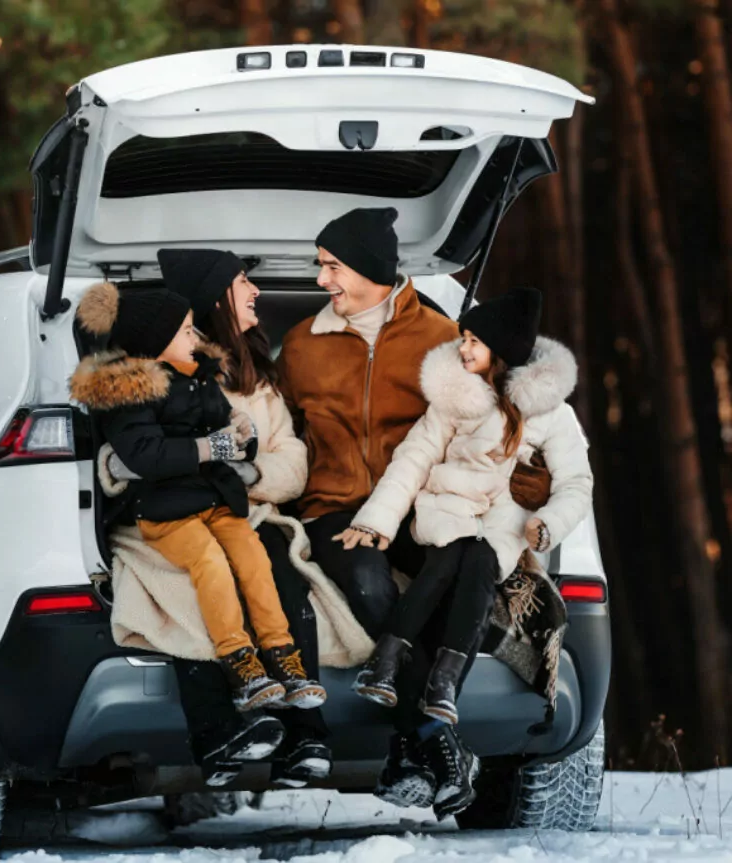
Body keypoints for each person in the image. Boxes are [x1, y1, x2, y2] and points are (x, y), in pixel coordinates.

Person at [277, 207, 551, 814]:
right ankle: (436, 738)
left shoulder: (443, 339)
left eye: (332, 268)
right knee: (371, 584)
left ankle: (413, 744)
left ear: (373, 270)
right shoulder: (299, 346)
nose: (321, 281)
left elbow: (497, 418)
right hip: (335, 507)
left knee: (450, 578)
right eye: (321, 267)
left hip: (425, 505)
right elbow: (284, 435)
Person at [350, 288, 594, 817]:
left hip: (503, 525)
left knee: (478, 559)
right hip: (442, 512)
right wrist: (376, 521)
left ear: (501, 350)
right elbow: (412, 461)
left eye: (473, 341)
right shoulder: (452, 399)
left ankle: (410, 670)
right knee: (453, 553)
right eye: (463, 339)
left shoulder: (552, 414)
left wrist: (546, 525)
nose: (462, 349)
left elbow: (577, 483)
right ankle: (420, 678)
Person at [101, 249, 338, 788]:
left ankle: (304, 730)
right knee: (192, 580)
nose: (255, 291)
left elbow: (290, 456)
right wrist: (141, 465)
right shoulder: (159, 370)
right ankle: (220, 730)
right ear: (213, 300)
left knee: (277, 574)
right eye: (242, 281)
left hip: (242, 507)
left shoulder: (254, 372)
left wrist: (246, 475)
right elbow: (126, 449)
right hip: (169, 511)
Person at [70, 280, 327, 716]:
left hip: (216, 500)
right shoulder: (128, 393)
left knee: (253, 556)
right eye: (187, 331)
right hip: (166, 512)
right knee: (209, 563)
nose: (197, 337)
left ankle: (283, 655)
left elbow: (228, 432)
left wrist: (244, 435)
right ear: (155, 344)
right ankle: (239, 661)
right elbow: (145, 454)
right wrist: (213, 448)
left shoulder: (200, 378)